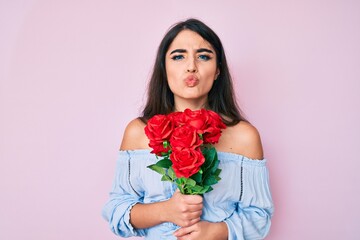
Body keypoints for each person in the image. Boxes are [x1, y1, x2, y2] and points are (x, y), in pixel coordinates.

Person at [102, 18, 274, 240]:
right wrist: (164, 210)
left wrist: (216, 231)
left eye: (203, 56)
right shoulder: (138, 132)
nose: (191, 66)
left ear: (218, 70)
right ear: (164, 69)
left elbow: (260, 216)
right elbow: (115, 209)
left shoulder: (245, 137)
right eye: (178, 56)